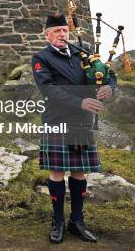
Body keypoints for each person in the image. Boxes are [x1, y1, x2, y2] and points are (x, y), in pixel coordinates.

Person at [32, 14, 116, 244]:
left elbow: (108, 73)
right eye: (57, 31)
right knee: (57, 173)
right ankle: (58, 221)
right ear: (47, 35)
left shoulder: (84, 53)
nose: (62, 35)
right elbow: (48, 89)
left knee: (79, 172)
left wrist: (109, 88)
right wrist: (79, 101)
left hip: (82, 121)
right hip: (58, 120)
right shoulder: (41, 58)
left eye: (65, 31)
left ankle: (77, 221)